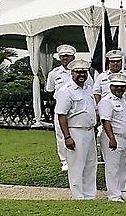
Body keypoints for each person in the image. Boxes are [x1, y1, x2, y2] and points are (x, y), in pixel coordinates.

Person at [55, 59, 97, 200]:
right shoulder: (66, 91)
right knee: (76, 166)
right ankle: (78, 195)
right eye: (78, 72)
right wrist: (67, 137)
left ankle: (90, 195)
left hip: (89, 131)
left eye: (84, 72)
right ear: (71, 73)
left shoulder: (88, 89)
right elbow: (61, 115)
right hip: (75, 131)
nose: (81, 75)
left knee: (91, 164)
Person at [98, 73, 126, 202]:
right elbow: (106, 121)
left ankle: (122, 191)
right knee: (113, 167)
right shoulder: (106, 101)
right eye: (116, 86)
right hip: (113, 137)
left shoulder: (124, 100)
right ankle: (114, 194)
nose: (119, 89)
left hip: (125, 138)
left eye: (121, 87)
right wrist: (111, 138)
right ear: (110, 86)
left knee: (123, 167)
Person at [45, 44, 76, 172]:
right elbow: (50, 90)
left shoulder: (79, 70)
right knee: (60, 134)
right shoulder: (54, 74)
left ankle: (75, 158)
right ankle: (64, 161)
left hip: (76, 107)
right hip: (61, 107)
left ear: (73, 57)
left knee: (75, 132)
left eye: (67, 56)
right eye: (62, 56)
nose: (65, 59)